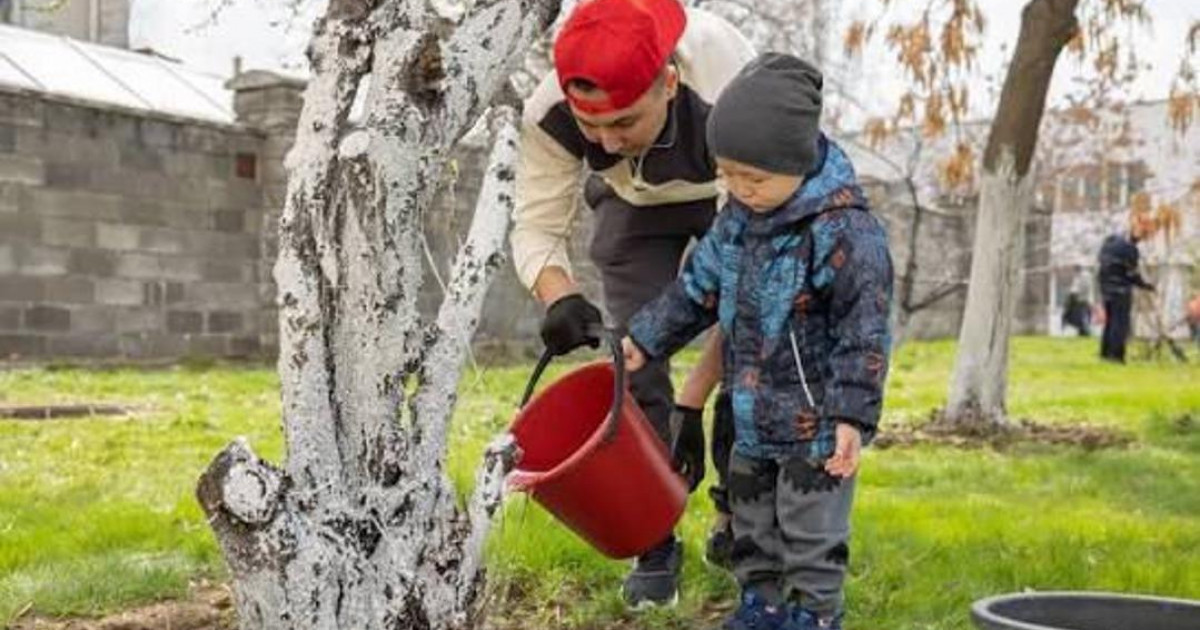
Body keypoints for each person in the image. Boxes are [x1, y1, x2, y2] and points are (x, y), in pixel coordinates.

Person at [622, 53, 893, 630]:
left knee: (811, 535)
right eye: (729, 176)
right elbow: (697, 290)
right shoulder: (739, 220)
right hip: (748, 419)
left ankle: (815, 617)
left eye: (756, 178)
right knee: (752, 530)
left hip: (814, 431)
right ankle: (762, 609)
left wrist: (851, 417)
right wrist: (644, 339)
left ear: (797, 160)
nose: (741, 190)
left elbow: (863, 333)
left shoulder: (844, 232)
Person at [509, 0, 755, 608]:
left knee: (756, 344)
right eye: (592, 128)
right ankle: (653, 534)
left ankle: (740, 515)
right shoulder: (548, 112)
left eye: (623, 122)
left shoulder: (732, 85)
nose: (606, 141)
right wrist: (559, 295)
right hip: (633, 206)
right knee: (633, 360)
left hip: (738, 195)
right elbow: (535, 224)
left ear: (667, 82)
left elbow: (750, 269)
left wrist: (693, 401)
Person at [1097, 220, 1155, 363]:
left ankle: (1105, 352)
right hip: (1121, 289)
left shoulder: (1109, 242)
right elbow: (1131, 273)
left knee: (1110, 321)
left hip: (1105, 287)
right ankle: (1116, 356)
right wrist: (1145, 285)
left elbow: (1102, 262)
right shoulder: (1130, 249)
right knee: (1120, 322)